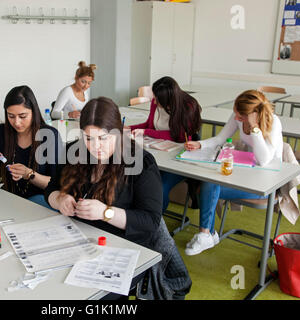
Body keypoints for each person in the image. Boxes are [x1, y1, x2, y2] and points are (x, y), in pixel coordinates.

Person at [45, 97, 192, 299]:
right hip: (80, 242)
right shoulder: (73, 151)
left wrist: (105, 212)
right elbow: (51, 188)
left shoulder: (141, 162)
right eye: (88, 138)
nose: (95, 147)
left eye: (103, 138)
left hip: (124, 250)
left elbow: (150, 221)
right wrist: (58, 199)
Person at [184, 90, 283, 256]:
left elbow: (264, 160)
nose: (237, 118)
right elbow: (220, 139)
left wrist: (254, 128)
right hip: (248, 173)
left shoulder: (274, 123)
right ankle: (206, 234)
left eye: (241, 116)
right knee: (209, 182)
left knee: (209, 187)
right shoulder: (238, 116)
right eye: (236, 114)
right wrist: (199, 144)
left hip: (267, 183)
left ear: (255, 114)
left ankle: (208, 234)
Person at [127, 76, 202, 214]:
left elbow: (179, 137)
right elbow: (149, 125)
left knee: (158, 188)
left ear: (168, 100)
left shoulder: (188, 106)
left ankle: (153, 221)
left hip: (177, 157)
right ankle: (137, 215)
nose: (154, 101)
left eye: (157, 99)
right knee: (135, 179)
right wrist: (129, 128)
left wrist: (146, 132)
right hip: (157, 152)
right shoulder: (156, 101)